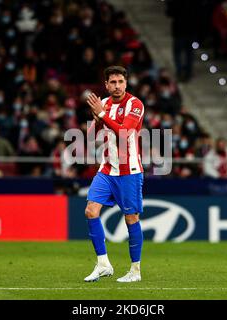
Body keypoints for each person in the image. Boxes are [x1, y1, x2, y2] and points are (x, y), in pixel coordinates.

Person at [84, 66, 144, 282]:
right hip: (107, 169)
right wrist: (96, 120)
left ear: (126, 83)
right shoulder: (106, 104)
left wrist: (101, 114)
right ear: (106, 85)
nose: (117, 86)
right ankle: (103, 264)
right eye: (113, 82)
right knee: (91, 211)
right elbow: (91, 138)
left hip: (129, 171)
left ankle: (135, 271)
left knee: (131, 218)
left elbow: (125, 133)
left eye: (120, 81)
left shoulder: (135, 104)